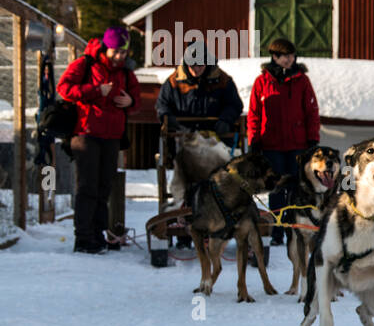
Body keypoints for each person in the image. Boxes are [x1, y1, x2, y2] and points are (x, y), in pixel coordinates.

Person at [57, 25, 140, 254]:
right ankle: (83, 237)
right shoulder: (86, 64)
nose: (119, 57)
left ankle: (98, 233)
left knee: (104, 187)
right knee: (87, 186)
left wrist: (130, 102)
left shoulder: (126, 72)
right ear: (106, 48)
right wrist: (95, 91)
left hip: (111, 136)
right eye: (115, 52)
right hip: (86, 133)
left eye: (123, 52)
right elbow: (64, 88)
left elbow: (137, 99)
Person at [156, 40, 245, 248]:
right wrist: (175, 124)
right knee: (186, 178)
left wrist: (225, 119)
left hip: (215, 140)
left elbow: (235, 104)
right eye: (193, 65)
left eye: (201, 65)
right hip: (185, 140)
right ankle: (184, 232)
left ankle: (221, 222)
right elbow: (162, 107)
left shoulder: (222, 80)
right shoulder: (174, 82)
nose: (197, 69)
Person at [247, 37, 320, 245]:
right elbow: (254, 114)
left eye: (291, 56)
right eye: (284, 56)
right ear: (274, 57)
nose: (289, 60)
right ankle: (277, 229)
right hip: (271, 146)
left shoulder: (302, 80)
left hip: (297, 145)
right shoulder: (262, 82)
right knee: (276, 189)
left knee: (297, 189)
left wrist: (313, 138)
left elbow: (312, 112)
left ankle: (295, 230)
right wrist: (254, 139)